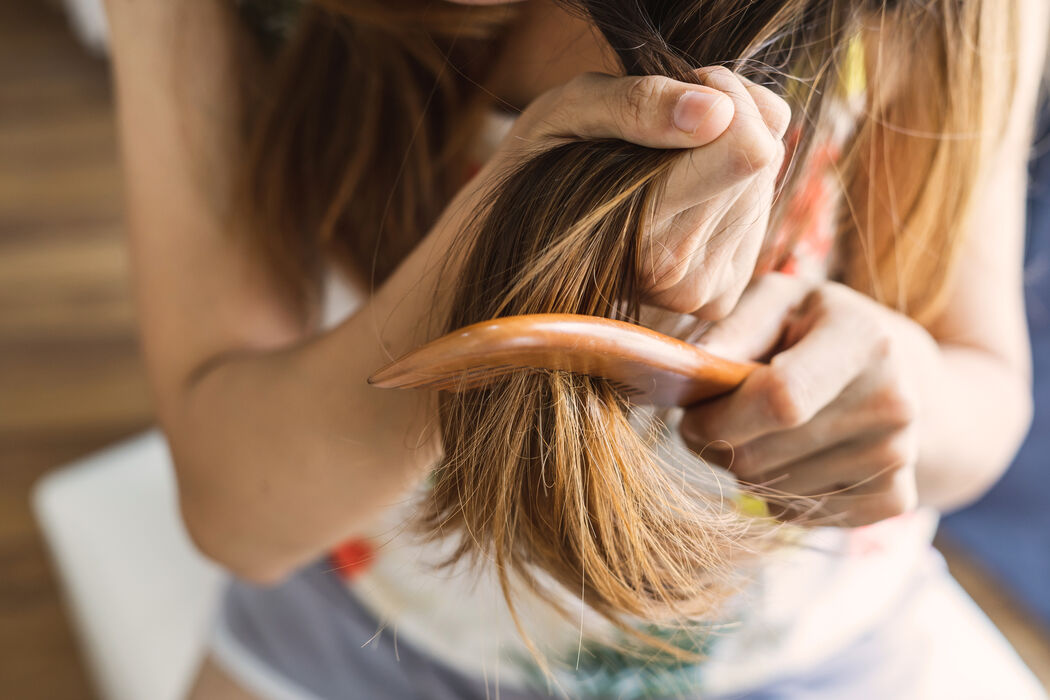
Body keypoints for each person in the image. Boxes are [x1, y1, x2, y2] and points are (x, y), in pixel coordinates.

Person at [100, 0, 1048, 698]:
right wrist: (502, 243)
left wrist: (904, 399)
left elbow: (985, 394)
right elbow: (236, 514)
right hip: (355, 646)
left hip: (812, 655)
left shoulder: (940, 16)